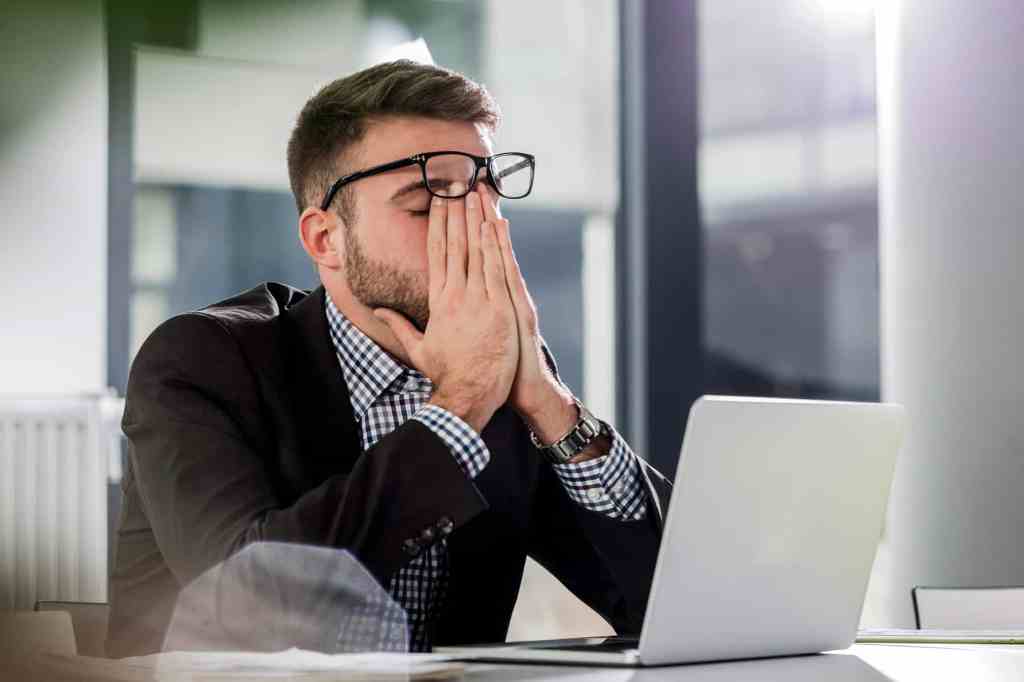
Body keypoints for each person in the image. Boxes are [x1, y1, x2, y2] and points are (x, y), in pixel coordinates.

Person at [106, 59, 671, 658]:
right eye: (427, 205)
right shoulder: (199, 361)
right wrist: (458, 409)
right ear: (326, 239)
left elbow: (670, 601)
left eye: (485, 197)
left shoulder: (501, 368)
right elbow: (251, 606)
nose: (474, 229)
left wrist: (552, 409)